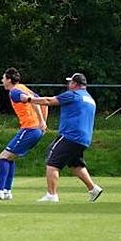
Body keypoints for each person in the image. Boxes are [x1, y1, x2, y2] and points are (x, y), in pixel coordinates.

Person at [21, 73, 103, 203]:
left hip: (70, 135)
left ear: (75, 84)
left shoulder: (73, 94)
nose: (68, 84)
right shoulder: (90, 99)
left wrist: (28, 99)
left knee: (52, 161)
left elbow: (49, 101)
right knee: (75, 164)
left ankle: (51, 195)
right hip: (84, 138)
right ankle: (93, 189)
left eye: (70, 82)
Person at [0, 68, 48, 201]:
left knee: (3, 156)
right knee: (9, 157)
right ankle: (6, 192)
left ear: (9, 80)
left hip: (30, 129)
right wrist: (43, 123)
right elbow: (43, 102)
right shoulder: (23, 87)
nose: (2, 81)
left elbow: (30, 100)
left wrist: (41, 122)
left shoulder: (15, 92)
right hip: (34, 129)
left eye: (3, 78)